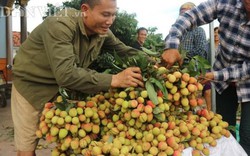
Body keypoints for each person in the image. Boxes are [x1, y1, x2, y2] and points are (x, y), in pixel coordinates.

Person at [11, 0, 145, 155]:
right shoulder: (60, 24)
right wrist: (114, 79)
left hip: (63, 90)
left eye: (114, 14)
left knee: (73, 143)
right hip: (31, 87)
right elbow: (66, 74)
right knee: (26, 148)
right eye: (105, 14)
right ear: (85, 10)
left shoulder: (102, 31)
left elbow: (125, 51)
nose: (110, 21)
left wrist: (155, 61)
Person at [162, 0, 250, 154]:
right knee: (223, 132)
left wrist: (215, 75)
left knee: (248, 136)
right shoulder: (226, 3)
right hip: (224, 84)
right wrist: (172, 44)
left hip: (245, 82)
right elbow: (190, 16)